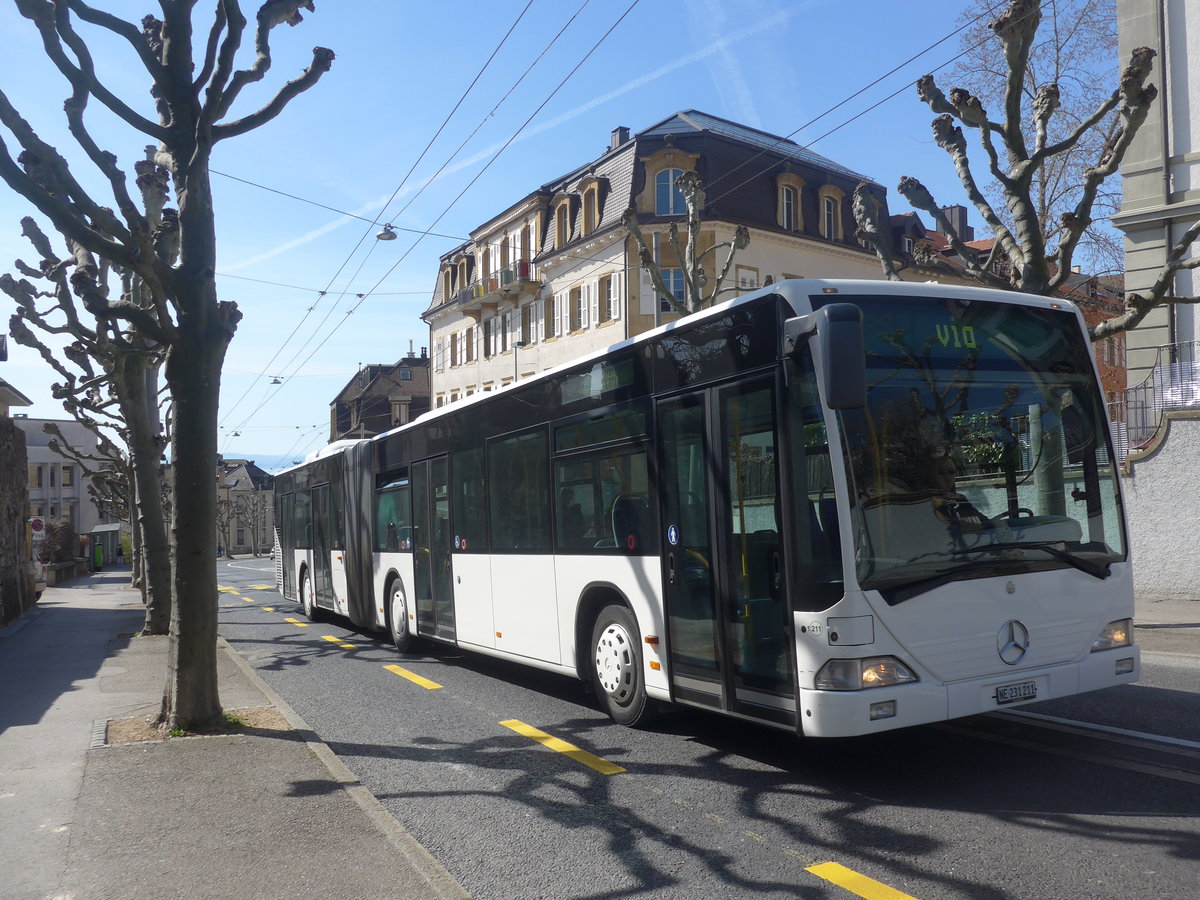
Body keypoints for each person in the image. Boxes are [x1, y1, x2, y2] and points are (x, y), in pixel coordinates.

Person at [929, 455, 991, 532]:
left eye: (951, 472)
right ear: (932, 476)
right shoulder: (929, 502)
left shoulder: (959, 500)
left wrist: (965, 506)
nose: (947, 477)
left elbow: (986, 524)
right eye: (941, 473)